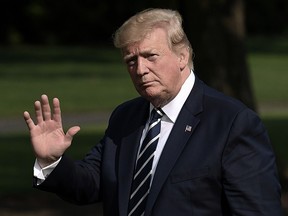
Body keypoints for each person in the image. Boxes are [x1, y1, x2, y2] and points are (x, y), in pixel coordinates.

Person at [24, 8, 283, 216]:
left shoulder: (231, 122)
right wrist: (51, 162)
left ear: (182, 56)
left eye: (151, 56)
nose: (140, 69)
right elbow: (93, 183)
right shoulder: (125, 118)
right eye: (131, 61)